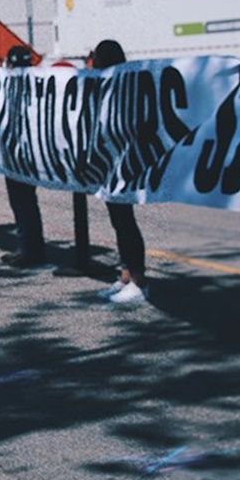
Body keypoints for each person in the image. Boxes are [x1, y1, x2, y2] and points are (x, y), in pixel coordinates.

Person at [85, 40, 151, 304]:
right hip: (112, 165)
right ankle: (126, 274)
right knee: (118, 221)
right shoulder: (112, 83)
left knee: (125, 223)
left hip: (124, 164)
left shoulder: (125, 84)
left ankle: (138, 281)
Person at [0, 45, 47, 268]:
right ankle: (29, 246)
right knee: (27, 201)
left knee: (22, 201)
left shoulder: (8, 84)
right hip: (28, 150)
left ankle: (30, 249)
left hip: (17, 152)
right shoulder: (38, 82)